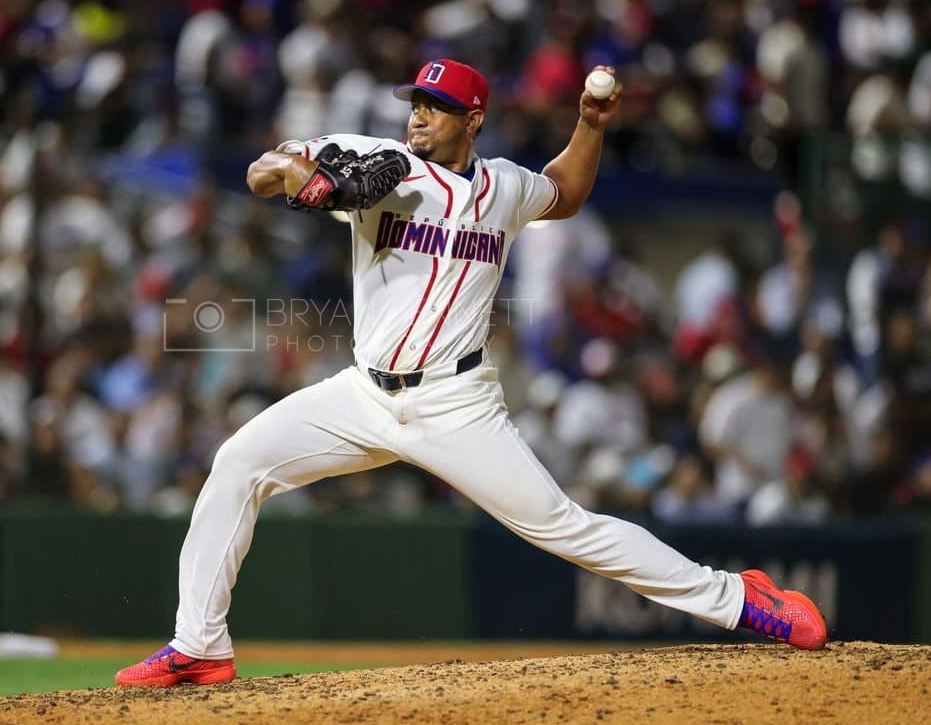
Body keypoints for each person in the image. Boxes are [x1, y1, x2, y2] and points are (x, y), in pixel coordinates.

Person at [115, 60, 827, 688]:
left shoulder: (504, 189)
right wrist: (309, 179)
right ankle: (199, 645)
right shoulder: (377, 159)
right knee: (239, 462)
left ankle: (738, 599)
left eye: (435, 106)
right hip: (363, 393)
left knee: (566, 528)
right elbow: (264, 168)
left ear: (473, 119)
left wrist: (588, 125)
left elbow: (565, 194)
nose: (417, 114)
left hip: (457, 403)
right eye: (414, 102)